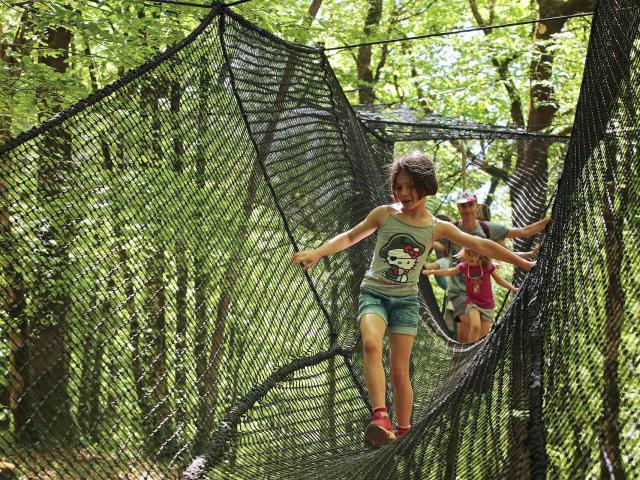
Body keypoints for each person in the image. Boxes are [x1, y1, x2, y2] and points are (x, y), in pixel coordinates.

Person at [291, 152, 535, 446]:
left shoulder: (437, 227)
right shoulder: (384, 214)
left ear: (425, 186)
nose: (403, 193)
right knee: (370, 343)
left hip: (406, 303)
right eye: (398, 187)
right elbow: (349, 237)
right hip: (375, 293)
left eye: (410, 186)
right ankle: (380, 416)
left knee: (399, 369)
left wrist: (525, 264)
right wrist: (317, 252)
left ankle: (403, 432)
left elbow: (482, 244)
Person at [440, 191, 548, 343]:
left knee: (480, 343)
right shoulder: (451, 229)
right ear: (458, 208)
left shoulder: (486, 229)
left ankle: (470, 365)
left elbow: (523, 233)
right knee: (468, 334)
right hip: (459, 293)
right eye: (463, 206)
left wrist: (546, 222)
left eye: (470, 205)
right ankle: (463, 363)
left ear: (476, 206)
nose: (467, 210)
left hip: (482, 295)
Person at [422, 248, 518, 342]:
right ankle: (471, 352)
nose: (469, 260)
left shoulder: (487, 267)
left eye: (472, 257)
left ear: (480, 256)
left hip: (488, 305)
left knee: (482, 339)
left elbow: (499, 281)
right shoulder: (465, 266)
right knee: (475, 326)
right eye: (467, 258)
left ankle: (477, 353)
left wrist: (513, 288)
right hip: (473, 303)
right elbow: (449, 271)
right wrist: (432, 272)